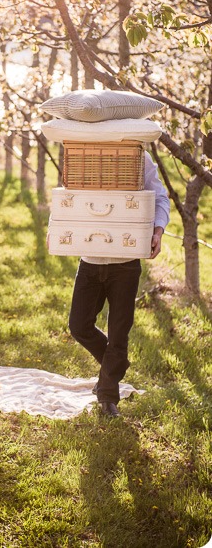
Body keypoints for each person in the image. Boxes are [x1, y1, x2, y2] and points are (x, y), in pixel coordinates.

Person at [66, 151, 170, 417]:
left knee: (119, 330)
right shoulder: (82, 158)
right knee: (79, 325)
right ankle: (115, 365)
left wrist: (158, 230)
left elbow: (159, 197)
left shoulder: (138, 157)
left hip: (125, 262)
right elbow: (71, 200)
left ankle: (107, 396)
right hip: (90, 258)